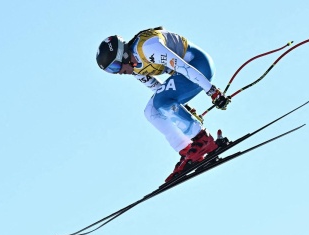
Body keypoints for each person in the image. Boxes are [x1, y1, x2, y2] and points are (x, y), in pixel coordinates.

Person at [96, 27, 231, 182]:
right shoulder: (134, 68)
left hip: (198, 66)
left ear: (123, 55)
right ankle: (186, 149)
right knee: (152, 111)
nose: (117, 72)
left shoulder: (147, 48)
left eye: (115, 67)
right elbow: (158, 88)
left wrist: (212, 91)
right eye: (111, 71)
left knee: (161, 102)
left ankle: (203, 140)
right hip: (184, 76)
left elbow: (183, 67)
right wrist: (181, 108)